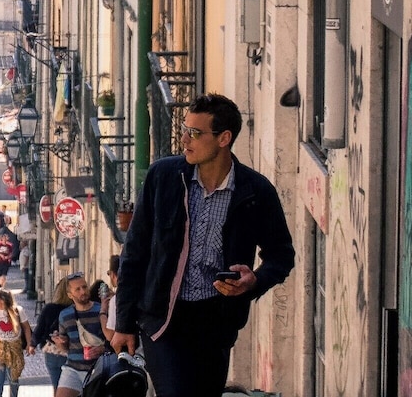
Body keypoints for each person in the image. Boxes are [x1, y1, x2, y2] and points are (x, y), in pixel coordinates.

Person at [111, 94, 296, 397]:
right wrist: (124, 323)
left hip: (217, 323)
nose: (184, 139)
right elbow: (135, 252)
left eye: (195, 133)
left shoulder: (256, 191)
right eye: (185, 129)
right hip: (162, 318)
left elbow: (281, 255)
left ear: (224, 138)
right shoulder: (164, 176)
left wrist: (254, 281)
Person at [54, 273, 109, 397]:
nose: (83, 291)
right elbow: (65, 348)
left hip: (99, 369)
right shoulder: (65, 315)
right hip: (73, 369)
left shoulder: (101, 311)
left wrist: (102, 349)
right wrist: (60, 344)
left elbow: (113, 340)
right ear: (70, 295)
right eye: (77, 289)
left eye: (84, 287)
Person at [31, 280, 74, 386]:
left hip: (51, 350)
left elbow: (40, 328)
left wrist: (32, 344)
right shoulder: (75, 309)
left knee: (57, 385)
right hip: (71, 350)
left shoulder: (49, 308)